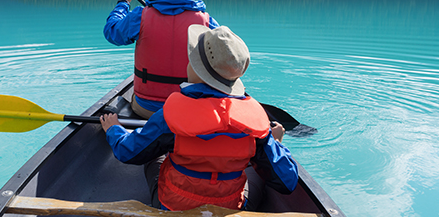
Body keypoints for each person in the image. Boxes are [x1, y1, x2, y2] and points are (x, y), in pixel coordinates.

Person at [100, 25, 298, 211]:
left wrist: (114, 129)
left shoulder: (171, 116)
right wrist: (274, 142)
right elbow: (287, 181)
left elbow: (128, 152)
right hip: (228, 210)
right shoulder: (256, 126)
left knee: (154, 158)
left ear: (196, 69)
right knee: (255, 173)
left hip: (174, 209)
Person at [104, 0, 219, 118]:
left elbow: (112, 32)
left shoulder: (141, 16)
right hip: (188, 110)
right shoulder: (206, 22)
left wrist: (123, 3)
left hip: (147, 109)